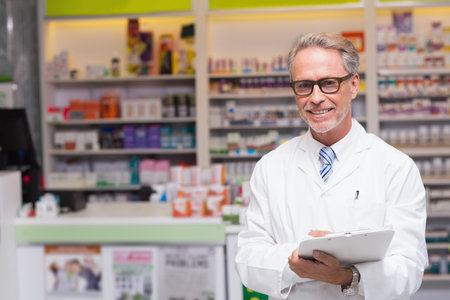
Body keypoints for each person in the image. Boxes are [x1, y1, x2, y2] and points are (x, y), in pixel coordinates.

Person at [235, 32, 428, 299]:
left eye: (328, 83)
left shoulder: (395, 167)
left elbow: (409, 269)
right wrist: (297, 263)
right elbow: (247, 260)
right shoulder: (270, 168)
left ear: (353, 85)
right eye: (304, 85)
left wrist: (347, 276)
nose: (315, 97)